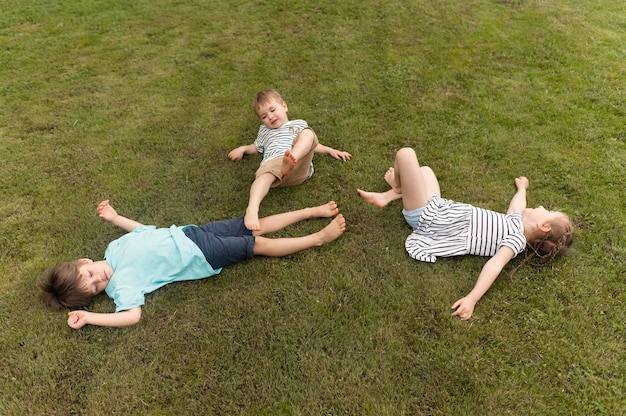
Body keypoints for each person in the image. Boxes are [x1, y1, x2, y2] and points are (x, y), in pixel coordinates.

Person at [39, 199, 346, 329]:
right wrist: (91, 317)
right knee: (258, 245)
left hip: (190, 232)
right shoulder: (121, 286)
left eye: (90, 274)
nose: (100, 279)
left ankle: (309, 212)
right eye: (95, 288)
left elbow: (143, 231)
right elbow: (132, 316)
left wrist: (115, 218)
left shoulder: (113, 248)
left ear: (84, 261)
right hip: (199, 254)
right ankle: (317, 238)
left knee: (254, 226)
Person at [357, 148, 573, 320]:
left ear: (543, 227)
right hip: (438, 208)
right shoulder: (514, 223)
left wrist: (472, 299)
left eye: (549, 211)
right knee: (426, 171)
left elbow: (495, 265)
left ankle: (395, 188)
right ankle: (394, 192)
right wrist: (522, 188)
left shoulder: (515, 240)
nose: (543, 206)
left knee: (406, 154)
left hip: (427, 218)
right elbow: (517, 206)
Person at [228, 89, 352, 231]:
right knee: (262, 179)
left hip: (298, 165)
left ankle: (292, 158)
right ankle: (252, 210)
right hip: (274, 166)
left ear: (284, 106)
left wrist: (331, 150)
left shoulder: (299, 124)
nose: (270, 116)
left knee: (308, 133)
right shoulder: (264, 131)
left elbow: (312, 144)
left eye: (273, 110)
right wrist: (243, 149)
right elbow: (256, 147)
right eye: (264, 116)